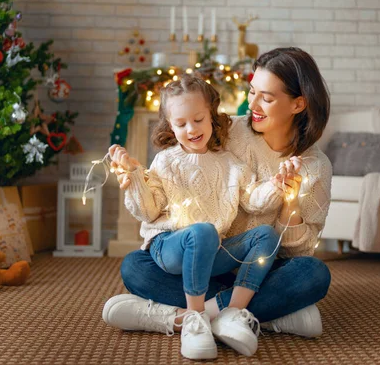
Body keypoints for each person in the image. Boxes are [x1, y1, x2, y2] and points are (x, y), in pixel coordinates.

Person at [104, 47, 332, 354]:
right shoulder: (227, 130)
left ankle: (180, 317)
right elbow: (173, 173)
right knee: (135, 266)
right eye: (252, 92)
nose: (252, 104)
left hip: (254, 266)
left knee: (312, 274)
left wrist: (288, 198)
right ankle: (257, 316)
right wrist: (135, 180)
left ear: (298, 103)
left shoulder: (315, 166)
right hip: (202, 258)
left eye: (266, 97)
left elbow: (297, 251)